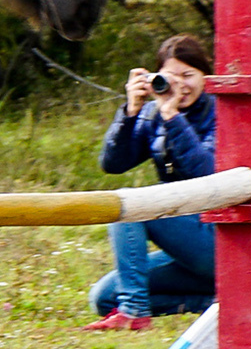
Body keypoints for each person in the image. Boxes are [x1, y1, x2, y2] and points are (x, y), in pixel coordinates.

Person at [84, 34, 218, 330]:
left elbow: (207, 175)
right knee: (104, 299)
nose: (180, 86)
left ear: (205, 77)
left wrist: (171, 115)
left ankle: (134, 312)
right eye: (172, 77)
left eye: (188, 76)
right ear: (157, 78)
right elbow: (112, 164)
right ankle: (211, 303)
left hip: (221, 241)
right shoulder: (151, 114)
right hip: (185, 241)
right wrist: (131, 112)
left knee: (128, 204)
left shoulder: (222, 111)